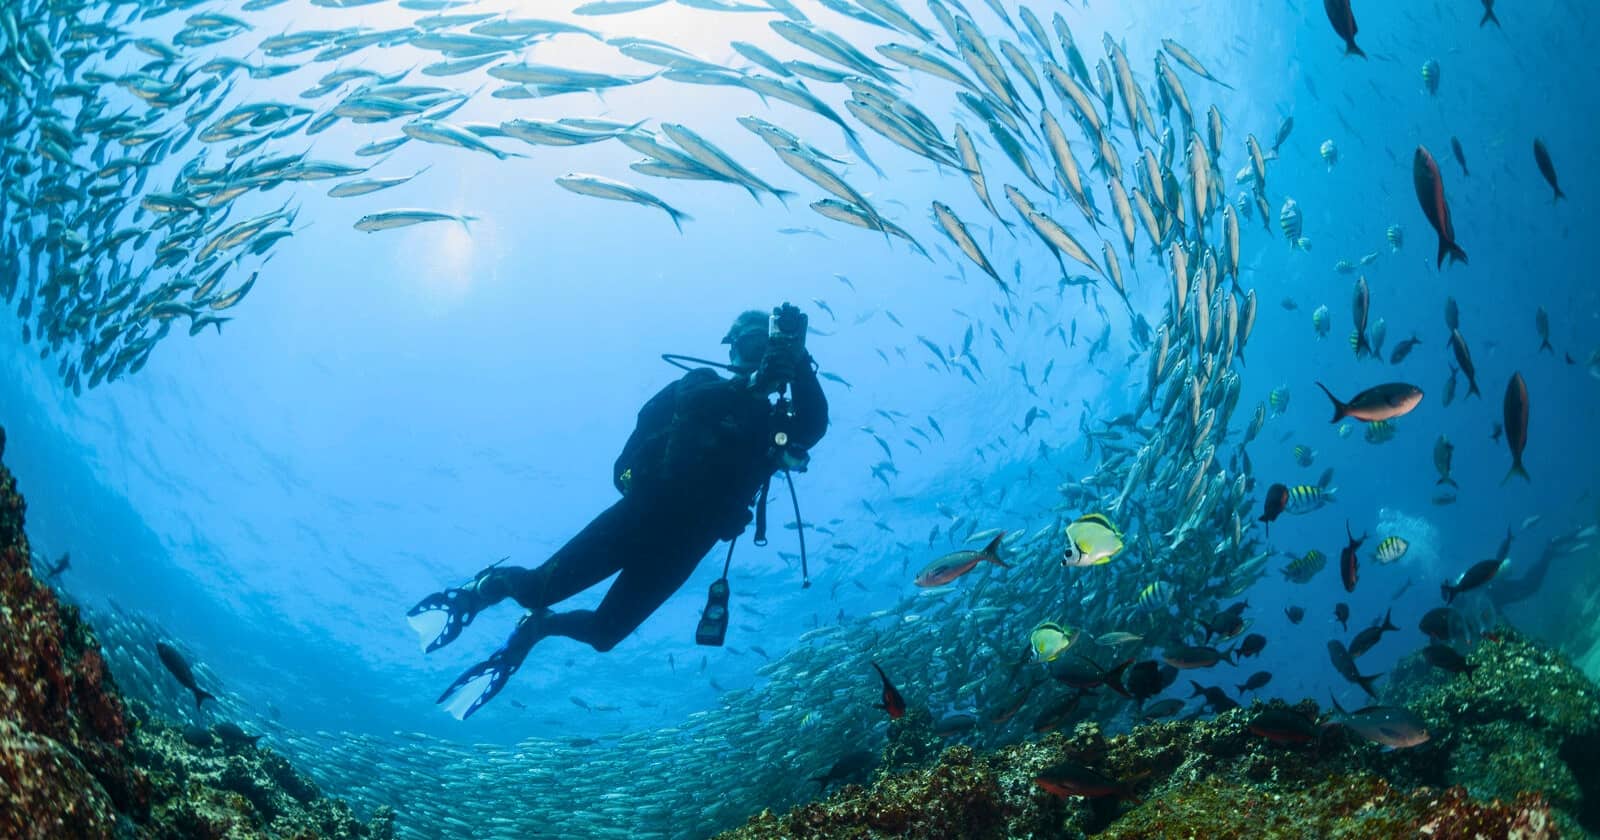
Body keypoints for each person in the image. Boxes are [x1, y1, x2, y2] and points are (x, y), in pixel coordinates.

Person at [408, 304, 828, 718]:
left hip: (687, 545)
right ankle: (480, 589)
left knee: (604, 634)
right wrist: (753, 383)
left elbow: (813, 426)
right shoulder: (703, 382)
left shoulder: (774, 422)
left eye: (766, 348)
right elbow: (695, 402)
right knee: (536, 591)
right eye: (750, 346)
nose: (758, 357)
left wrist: (800, 361)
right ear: (732, 351)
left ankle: (539, 627)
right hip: (640, 515)